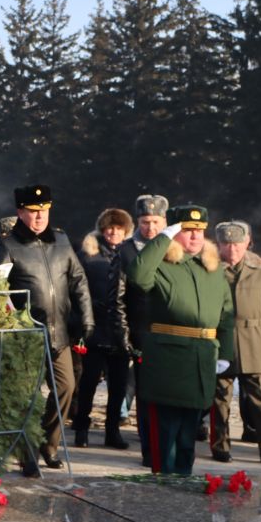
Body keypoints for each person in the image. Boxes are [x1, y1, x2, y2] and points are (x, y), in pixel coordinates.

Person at [0, 184, 93, 469]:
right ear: (20, 212)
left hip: (59, 332)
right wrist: (11, 319)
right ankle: (27, 454)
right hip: (25, 337)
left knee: (66, 387)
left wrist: (87, 318)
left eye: (44, 211)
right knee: (29, 397)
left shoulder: (60, 241)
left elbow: (78, 280)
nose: (39, 217)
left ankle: (48, 443)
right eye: (33, 212)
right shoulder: (7, 245)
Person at [127, 204, 234, 475]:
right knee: (166, 434)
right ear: (174, 233)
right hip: (169, 362)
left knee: (189, 435)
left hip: (202, 360)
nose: (195, 236)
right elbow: (138, 276)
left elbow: (226, 315)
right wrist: (162, 239)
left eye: (199, 230)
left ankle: (182, 483)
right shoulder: (162, 265)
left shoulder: (212, 269)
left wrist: (225, 353)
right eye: (187, 230)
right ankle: (165, 488)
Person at [208, 221, 261, 464]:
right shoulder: (209, 268)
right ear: (219, 245)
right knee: (220, 398)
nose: (232, 249)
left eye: (237, 244)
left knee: (260, 398)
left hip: (254, 340)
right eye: (226, 244)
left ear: (247, 243)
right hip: (222, 342)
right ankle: (220, 445)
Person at [108, 194, 168, 467]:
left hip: (167, 333)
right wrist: (124, 333)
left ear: (164, 222)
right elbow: (117, 297)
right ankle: (148, 447)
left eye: (156, 222)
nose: (151, 228)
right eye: (145, 222)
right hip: (139, 332)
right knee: (144, 394)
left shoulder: (172, 249)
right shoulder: (126, 250)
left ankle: (166, 444)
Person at [73, 208, 133, 449]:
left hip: (119, 329)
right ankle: (81, 428)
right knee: (88, 382)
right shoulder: (89, 254)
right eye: (110, 228)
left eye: (119, 229)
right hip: (95, 328)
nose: (114, 233)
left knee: (118, 384)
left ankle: (112, 431)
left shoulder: (129, 255)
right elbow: (78, 288)